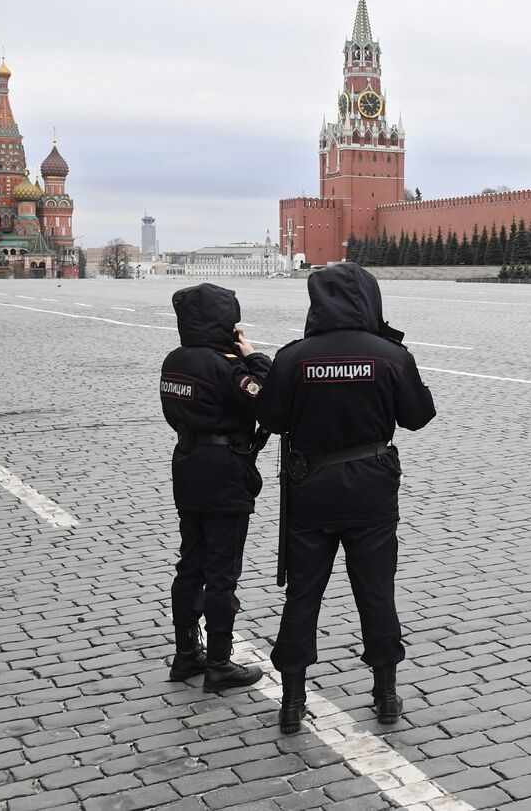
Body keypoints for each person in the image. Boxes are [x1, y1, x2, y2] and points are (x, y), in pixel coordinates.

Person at [257, 263, 436, 733]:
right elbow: (418, 417)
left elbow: (272, 419)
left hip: (309, 491)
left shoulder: (293, 357)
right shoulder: (390, 355)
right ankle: (386, 695)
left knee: (303, 595)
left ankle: (292, 702)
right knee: (376, 592)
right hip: (372, 490)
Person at [160, 283, 271, 692]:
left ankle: (186, 653)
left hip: (187, 464)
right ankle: (221, 663)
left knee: (190, 562)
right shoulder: (226, 367)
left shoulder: (174, 360)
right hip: (225, 470)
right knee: (223, 571)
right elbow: (266, 395)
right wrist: (252, 354)